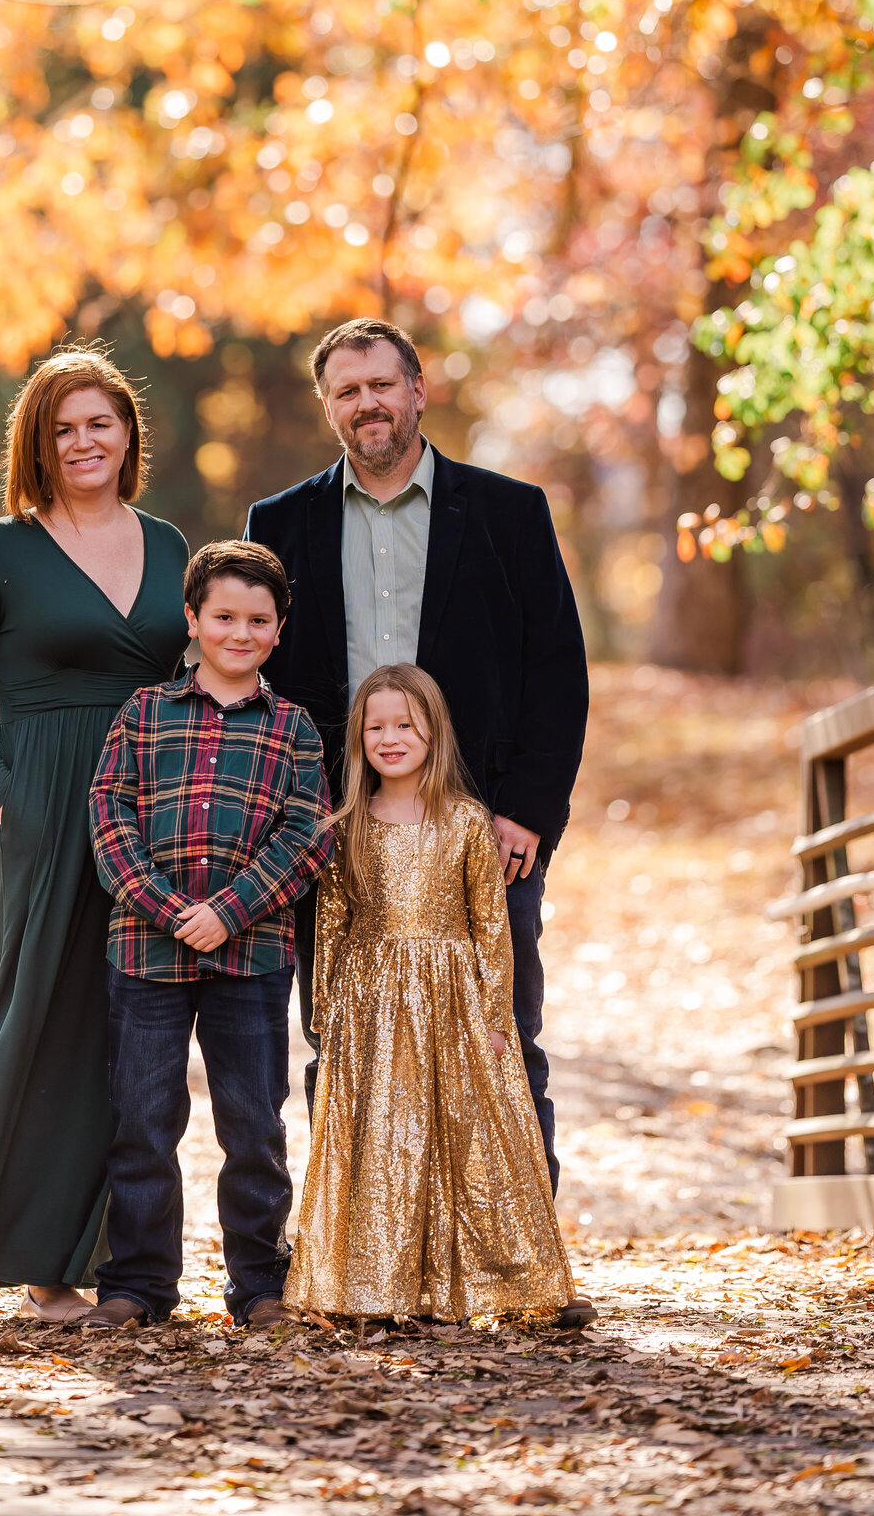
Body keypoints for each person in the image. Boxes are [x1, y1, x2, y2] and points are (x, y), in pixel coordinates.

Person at [246, 315, 589, 1190]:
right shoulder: (280, 523)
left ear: (418, 391)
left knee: (503, 1032)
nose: (368, 404)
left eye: (382, 385)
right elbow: (261, 676)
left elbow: (556, 670)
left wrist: (528, 812)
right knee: (343, 1039)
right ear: (329, 408)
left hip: (482, 825)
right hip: (338, 828)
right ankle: (354, 1253)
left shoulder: (510, 512)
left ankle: (521, 1262)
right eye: (348, 391)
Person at [0, 348, 190, 1321]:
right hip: (37, 807)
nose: (84, 442)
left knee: (132, 1030)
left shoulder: (168, 543)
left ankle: (128, 1261)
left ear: (127, 435)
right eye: (63, 428)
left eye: (100, 423)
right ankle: (32, 1260)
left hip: (145, 810)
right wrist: (3, 792)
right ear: (37, 442)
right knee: (34, 1021)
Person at [284, 664, 584, 1324]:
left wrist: (495, 1012)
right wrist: (328, 1010)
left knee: (468, 1137)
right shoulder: (347, 826)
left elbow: (490, 926)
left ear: (434, 732)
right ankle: (375, 1289)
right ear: (359, 737)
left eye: (406, 725)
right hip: (373, 1004)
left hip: (453, 1000)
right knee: (383, 1136)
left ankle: (505, 1281)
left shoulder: (467, 823)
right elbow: (332, 923)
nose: (390, 738)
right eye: (376, 726)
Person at [84, 541, 332, 1329]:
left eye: (258, 619)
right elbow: (109, 816)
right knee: (142, 1122)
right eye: (223, 616)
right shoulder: (144, 713)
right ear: (192, 621)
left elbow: (308, 836)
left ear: (279, 630)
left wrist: (230, 909)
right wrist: (165, 908)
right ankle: (139, 1286)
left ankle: (259, 1285)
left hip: (252, 956)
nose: (240, 631)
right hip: (146, 954)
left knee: (254, 1127)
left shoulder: (292, 729)